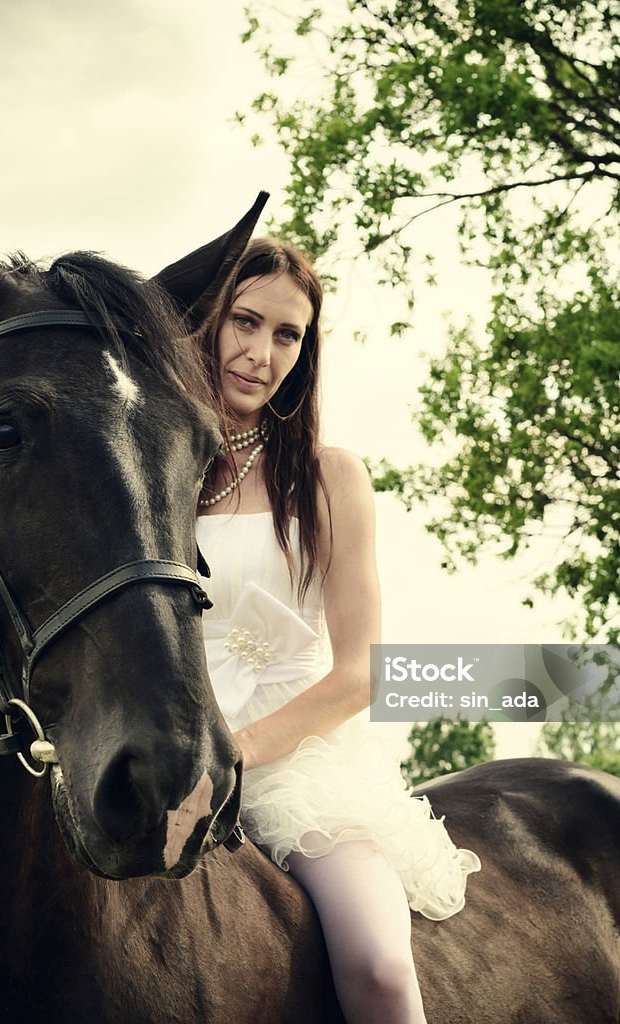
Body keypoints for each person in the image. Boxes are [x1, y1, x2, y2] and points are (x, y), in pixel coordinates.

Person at [195, 238, 480, 1024]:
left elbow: (361, 675)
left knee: (381, 966)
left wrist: (237, 753)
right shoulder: (155, 474)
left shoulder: (329, 478)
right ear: (207, 322)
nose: (261, 353)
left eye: (287, 335)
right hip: (167, 758)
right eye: (245, 322)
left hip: (297, 773)